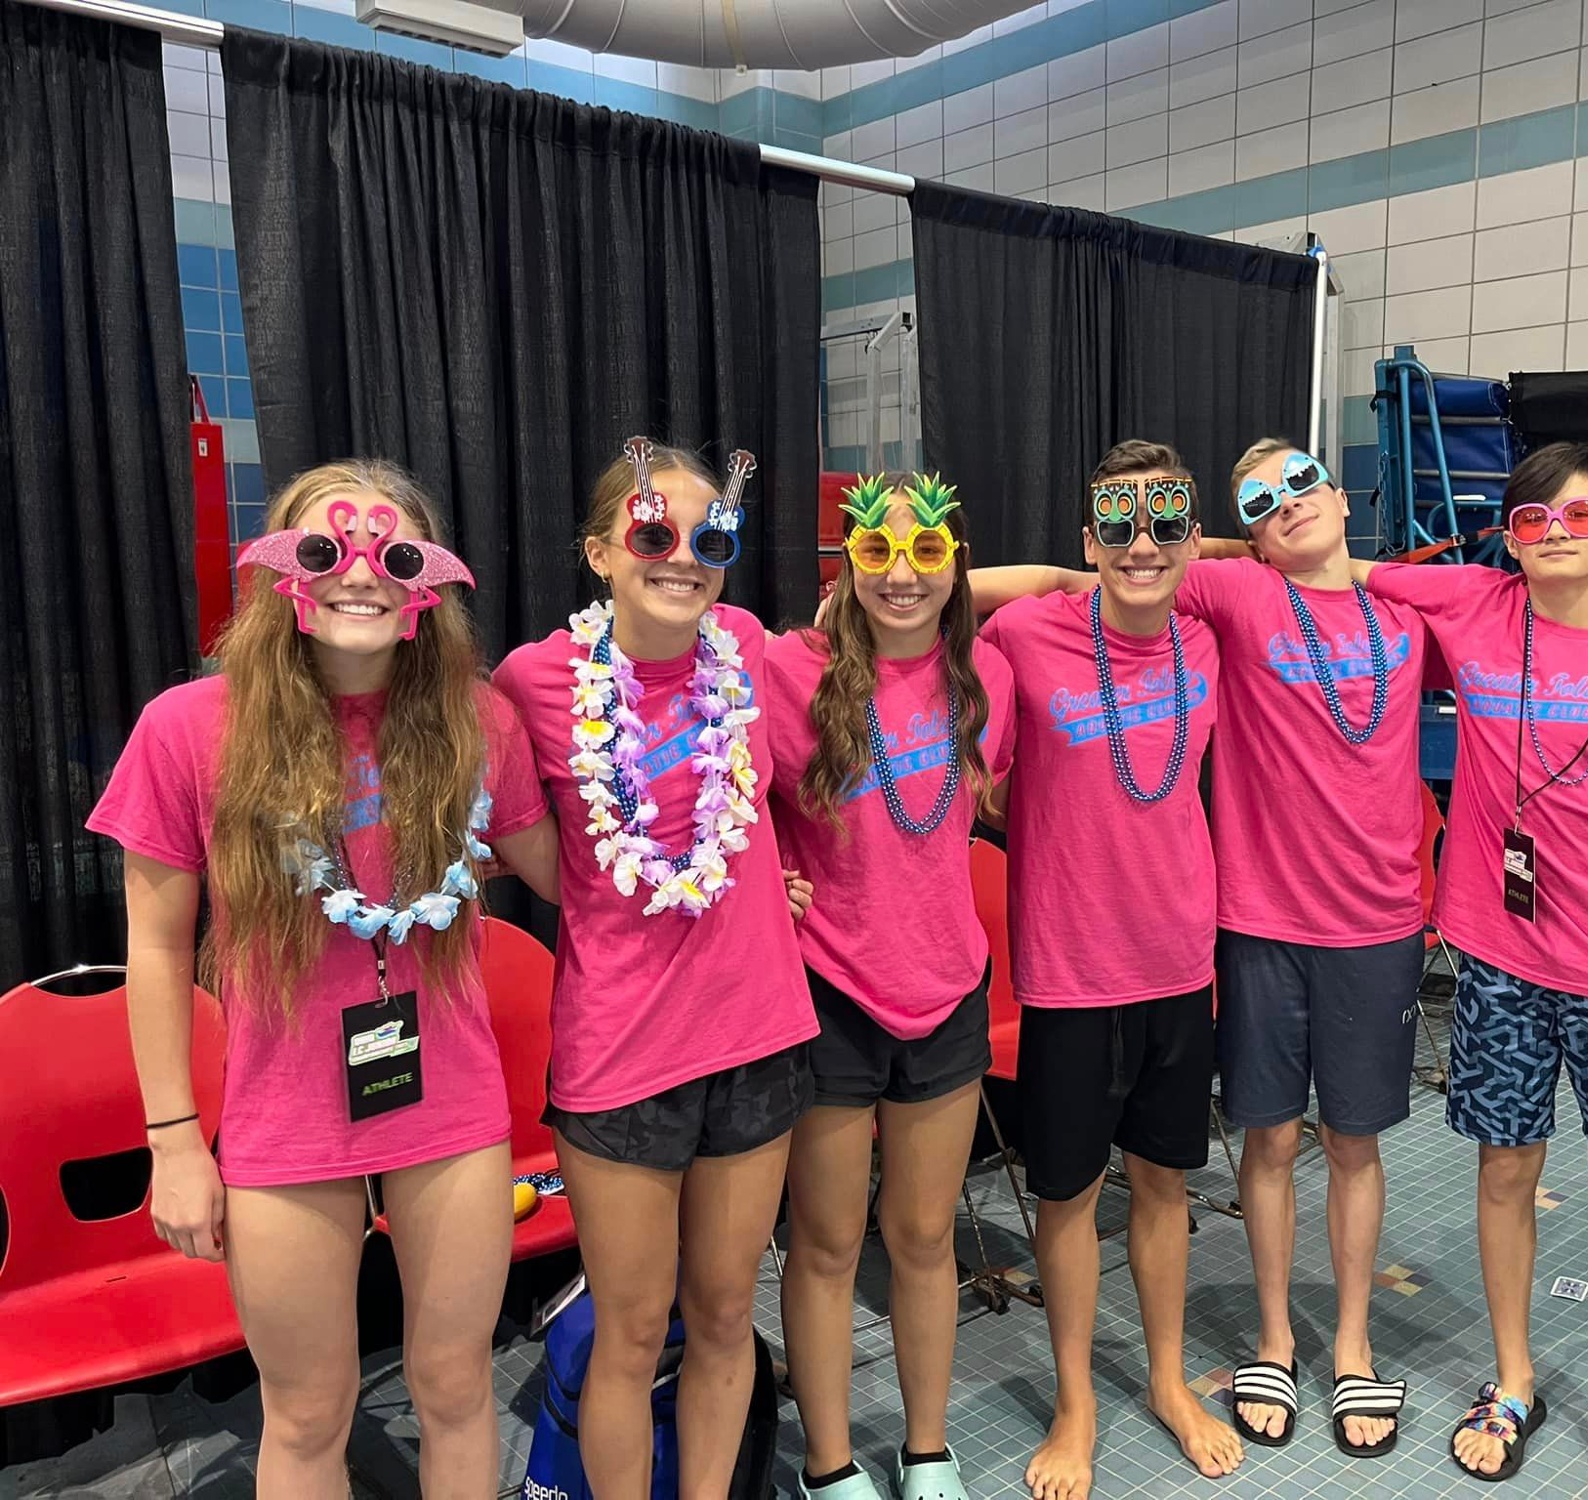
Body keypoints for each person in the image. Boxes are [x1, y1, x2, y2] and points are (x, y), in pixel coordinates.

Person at [972, 440, 1588, 1460]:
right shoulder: (1236, 595)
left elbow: (1565, 613)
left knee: (1359, 1145)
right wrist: (924, 587)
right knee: (1275, 1143)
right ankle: (1277, 1341)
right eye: (1258, 501)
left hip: (1391, 928)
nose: (1284, 503)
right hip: (1261, 924)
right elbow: (1095, 572)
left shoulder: (1422, 606)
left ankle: (1360, 1345)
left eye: (1300, 483)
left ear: (1337, 493)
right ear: (1244, 533)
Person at [90, 460, 559, 1500]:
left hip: (449, 1103)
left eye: (393, 554)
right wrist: (174, 1141)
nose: (360, 573)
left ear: (427, 580)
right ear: (280, 571)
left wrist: (742, 855)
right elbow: (156, 950)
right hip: (287, 1113)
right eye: (326, 548)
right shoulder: (191, 728)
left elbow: (574, 874)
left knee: (456, 1385)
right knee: (306, 1414)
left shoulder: (475, 722)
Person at [1353, 441, 1588, 1500]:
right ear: (1508, 539)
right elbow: (1331, 565)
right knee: (1505, 1169)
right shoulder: (1473, 608)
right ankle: (1512, 1379)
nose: (1554, 536)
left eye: (1578, 517)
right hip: (1496, 961)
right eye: (1531, 520)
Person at [492, 440, 818, 1500]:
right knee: (632, 1333)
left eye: (708, 538)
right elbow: (535, 854)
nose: (681, 556)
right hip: (622, 1057)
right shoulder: (534, 681)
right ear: (599, 551)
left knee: (724, 1315)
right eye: (651, 532)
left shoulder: (746, 646)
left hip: (756, 1033)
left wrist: (768, 884)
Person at [979, 440, 1243, 1500]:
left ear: (1193, 538)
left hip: (1179, 960)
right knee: (1067, 1194)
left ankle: (1169, 1381)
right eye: (1117, 528)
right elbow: (934, 594)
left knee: (1166, 1184)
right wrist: (1060, 574)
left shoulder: (1208, 635)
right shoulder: (1027, 629)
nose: (1143, 546)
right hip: (1069, 970)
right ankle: (1075, 1401)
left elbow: (1289, 565)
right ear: (1086, 541)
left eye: (1165, 525)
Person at [764, 473, 1017, 1500]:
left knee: (922, 1236)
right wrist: (764, 877)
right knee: (827, 1243)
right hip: (829, 993)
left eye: (926, 552)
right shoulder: (788, 670)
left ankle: (925, 1449)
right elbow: (717, 785)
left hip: (946, 987)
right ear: (845, 561)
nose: (901, 574)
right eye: (878, 551)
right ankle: (828, 1464)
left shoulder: (987, 675)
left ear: (957, 562)